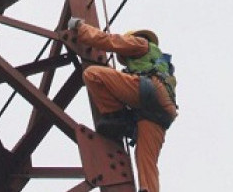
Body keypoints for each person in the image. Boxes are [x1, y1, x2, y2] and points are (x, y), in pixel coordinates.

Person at [68, 17, 177, 192]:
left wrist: (81, 28)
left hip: (150, 90)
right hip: (163, 110)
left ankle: (116, 116)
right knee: (145, 158)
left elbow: (111, 41)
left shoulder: (141, 43)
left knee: (93, 74)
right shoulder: (155, 62)